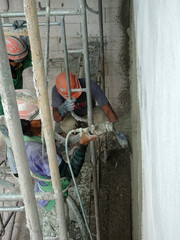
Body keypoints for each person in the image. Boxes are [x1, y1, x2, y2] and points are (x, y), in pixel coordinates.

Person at [16, 89, 97, 238]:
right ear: (26, 124)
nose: (43, 119)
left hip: (43, 187)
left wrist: (75, 136)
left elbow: (57, 142)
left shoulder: (28, 136)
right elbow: (71, 172)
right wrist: (83, 144)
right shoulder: (36, 152)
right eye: (38, 117)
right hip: (53, 197)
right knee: (60, 229)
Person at [0, 36, 32, 176]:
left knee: (25, 136)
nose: (19, 64)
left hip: (18, 106)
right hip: (3, 113)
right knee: (11, 143)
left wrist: (28, 40)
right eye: (16, 62)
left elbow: (29, 60)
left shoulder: (15, 65)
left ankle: (30, 163)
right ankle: (17, 173)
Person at [52, 72, 118, 134]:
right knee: (68, 124)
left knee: (103, 117)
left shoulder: (89, 85)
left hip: (89, 112)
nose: (74, 97)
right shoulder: (56, 91)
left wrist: (117, 130)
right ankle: (78, 140)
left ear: (77, 82)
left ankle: (91, 133)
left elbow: (108, 110)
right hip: (72, 116)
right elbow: (57, 119)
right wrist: (63, 109)